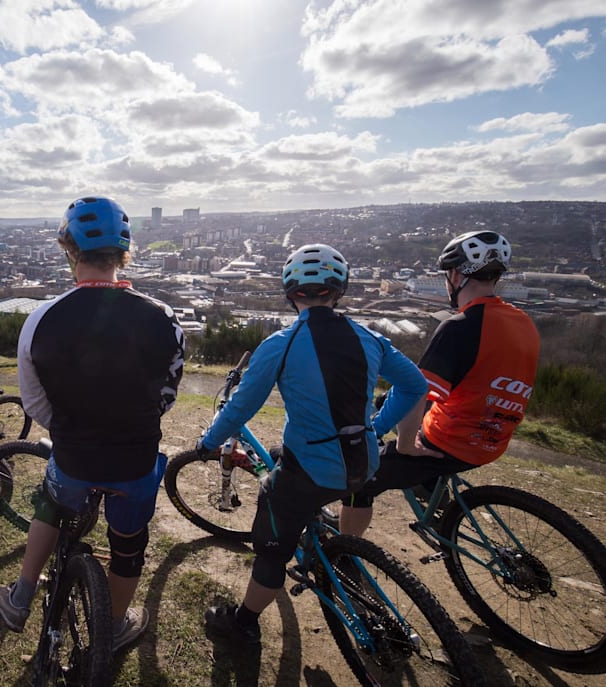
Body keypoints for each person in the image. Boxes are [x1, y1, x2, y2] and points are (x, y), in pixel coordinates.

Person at [196, 244, 429, 644]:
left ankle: (243, 623)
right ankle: (324, 538)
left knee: (272, 543)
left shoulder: (280, 344)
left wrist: (208, 442)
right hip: (365, 462)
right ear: (339, 289)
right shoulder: (369, 337)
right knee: (277, 456)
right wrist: (375, 425)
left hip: (310, 471)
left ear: (291, 293)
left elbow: (239, 409)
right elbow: (415, 386)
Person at [0, 196, 185, 651]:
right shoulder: (163, 317)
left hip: (74, 455)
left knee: (51, 505)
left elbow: (34, 402)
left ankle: (21, 596)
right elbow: (167, 396)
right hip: (135, 459)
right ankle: (115, 625)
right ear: (124, 253)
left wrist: (73, 427)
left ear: (69, 251)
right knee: (128, 542)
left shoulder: (40, 319)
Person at [340, 230, 540, 536]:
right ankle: (434, 496)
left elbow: (417, 391)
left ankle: (344, 553)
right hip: (494, 439)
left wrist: (407, 446)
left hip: (450, 444)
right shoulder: (523, 322)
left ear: (456, 274)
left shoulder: (460, 327)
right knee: (386, 403)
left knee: (357, 479)